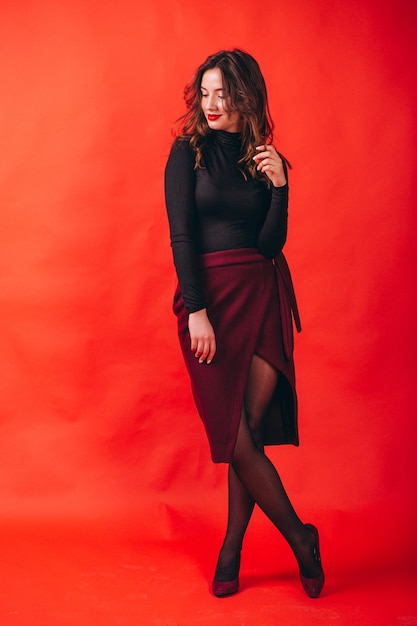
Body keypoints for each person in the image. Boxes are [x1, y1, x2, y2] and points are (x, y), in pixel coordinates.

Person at [164, 48, 324, 599]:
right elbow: (182, 236)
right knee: (236, 438)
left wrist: (281, 187)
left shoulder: (262, 160)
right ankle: (302, 539)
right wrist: (197, 308)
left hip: (260, 295)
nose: (211, 104)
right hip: (209, 299)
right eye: (204, 92)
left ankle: (230, 554)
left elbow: (268, 244)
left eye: (222, 94)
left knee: (247, 435)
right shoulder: (186, 154)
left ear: (245, 97)